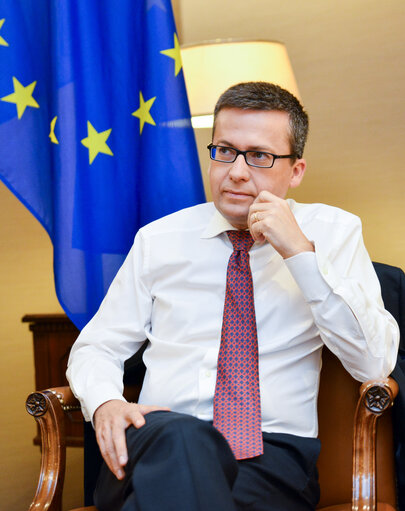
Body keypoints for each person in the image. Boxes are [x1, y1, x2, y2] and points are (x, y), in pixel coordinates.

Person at [67, 81, 399, 511]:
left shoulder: (333, 233)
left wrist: (299, 252)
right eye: (224, 151)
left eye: (259, 156)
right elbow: (97, 345)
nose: (237, 172)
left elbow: (373, 361)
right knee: (183, 435)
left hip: (269, 457)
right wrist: (106, 402)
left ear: (296, 170)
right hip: (153, 444)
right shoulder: (159, 239)